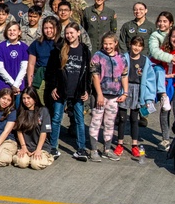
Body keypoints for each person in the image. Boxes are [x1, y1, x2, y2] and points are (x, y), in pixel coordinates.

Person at [45, 23, 91, 161]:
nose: (69, 36)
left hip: (78, 90)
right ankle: (53, 147)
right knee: (57, 118)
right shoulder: (59, 49)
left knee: (79, 120)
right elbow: (51, 71)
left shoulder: (84, 50)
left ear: (78, 33)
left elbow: (88, 72)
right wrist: (53, 86)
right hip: (61, 90)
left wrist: (87, 90)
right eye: (67, 33)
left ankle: (81, 148)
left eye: (72, 33)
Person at [88, 33, 129, 162]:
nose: (108, 46)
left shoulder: (121, 58)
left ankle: (106, 149)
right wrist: (99, 94)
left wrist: (125, 93)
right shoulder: (97, 56)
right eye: (105, 43)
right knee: (96, 121)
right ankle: (94, 150)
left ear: (116, 43)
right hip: (100, 95)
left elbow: (124, 76)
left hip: (114, 96)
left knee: (110, 123)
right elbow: (95, 76)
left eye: (110, 43)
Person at [115, 36, 155, 158]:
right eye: (134, 44)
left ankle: (134, 145)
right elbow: (117, 74)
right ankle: (120, 143)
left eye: (139, 45)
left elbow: (150, 79)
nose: (136, 48)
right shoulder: (123, 58)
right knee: (122, 118)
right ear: (130, 45)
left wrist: (149, 97)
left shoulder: (145, 61)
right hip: (125, 89)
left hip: (138, 91)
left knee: (134, 119)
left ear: (142, 47)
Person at [14, 89, 54, 170]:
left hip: (41, 146)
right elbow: (19, 131)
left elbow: (44, 132)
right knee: (22, 163)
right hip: (26, 146)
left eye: (28, 98)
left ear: (35, 99)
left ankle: (47, 157)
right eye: (24, 98)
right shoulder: (21, 111)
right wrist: (23, 147)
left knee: (36, 164)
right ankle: (28, 158)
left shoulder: (43, 111)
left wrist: (38, 150)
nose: (26, 101)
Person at [0, 22, 29, 97]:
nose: (12, 32)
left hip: (19, 87)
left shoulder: (24, 47)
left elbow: (24, 68)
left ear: (19, 32)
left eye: (14, 30)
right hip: (3, 86)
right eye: (9, 30)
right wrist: (12, 84)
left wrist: (16, 85)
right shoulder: (0, 47)